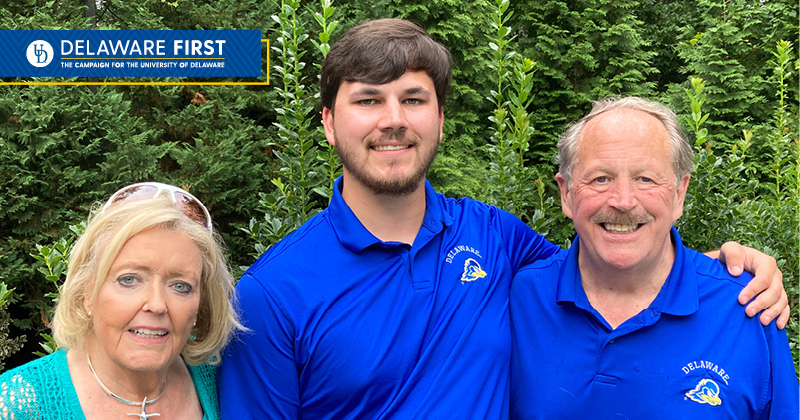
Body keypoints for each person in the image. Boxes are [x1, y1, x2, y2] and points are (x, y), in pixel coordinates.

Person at [218, 19, 789, 419]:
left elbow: (612, 254)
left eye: (413, 99)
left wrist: (727, 266)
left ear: (440, 119)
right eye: (368, 100)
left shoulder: (496, 239)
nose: (392, 120)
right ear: (326, 122)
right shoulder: (273, 292)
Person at [509, 97, 799, 419]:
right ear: (566, 194)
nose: (623, 201)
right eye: (600, 179)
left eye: (645, 179)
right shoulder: (520, 297)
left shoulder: (749, 307)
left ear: (679, 194)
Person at [0, 182, 242, 420]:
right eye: (129, 280)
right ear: (87, 291)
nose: (157, 304)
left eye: (180, 286)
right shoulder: (17, 404)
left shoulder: (221, 378)